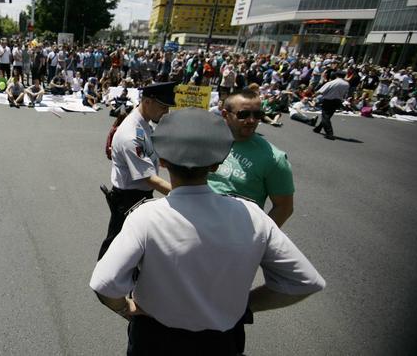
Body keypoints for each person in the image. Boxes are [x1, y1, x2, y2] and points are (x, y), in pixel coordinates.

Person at [90, 108, 326, 356]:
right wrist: (244, 304)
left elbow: (105, 284)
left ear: (162, 160)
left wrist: (126, 307)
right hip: (222, 341)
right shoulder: (253, 215)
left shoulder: (146, 216)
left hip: (155, 338)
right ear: (217, 163)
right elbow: (304, 282)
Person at [98, 82, 176, 259]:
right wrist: (183, 193)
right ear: (148, 102)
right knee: (117, 246)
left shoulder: (144, 124)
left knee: (134, 246)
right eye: (163, 107)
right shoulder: (131, 134)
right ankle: (103, 283)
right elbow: (150, 179)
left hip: (138, 196)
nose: (167, 112)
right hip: (129, 198)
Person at [208, 89, 295, 227]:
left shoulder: (274, 158)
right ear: (225, 114)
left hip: (235, 236)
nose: (252, 120)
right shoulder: (206, 141)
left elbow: (284, 208)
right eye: (244, 114)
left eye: (258, 114)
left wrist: (258, 237)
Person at [312, 71, 350, 140]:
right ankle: (318, 128)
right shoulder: (346, 84)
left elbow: (321, 91)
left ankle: (329, 133)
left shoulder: (332, 82)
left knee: (325, 116)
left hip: (328, 100)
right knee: (328, 116)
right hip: (337, 101)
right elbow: (345, 94)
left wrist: (314, 94)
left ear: (336, 75)